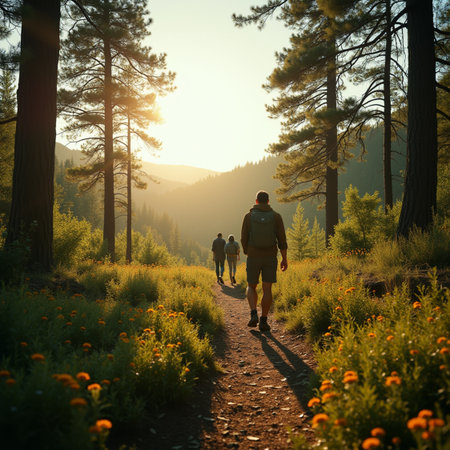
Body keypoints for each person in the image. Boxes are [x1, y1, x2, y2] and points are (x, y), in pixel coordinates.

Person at [241, 190, 288, 332]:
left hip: (253, 256)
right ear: (268, 201)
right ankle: (263, 321)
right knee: (267, 289)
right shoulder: (276, 217)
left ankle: (253, 313)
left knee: (251, 286)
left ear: (256, 201)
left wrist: (247, 251)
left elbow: (243, 238)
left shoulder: (249, 217)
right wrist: (284, 258)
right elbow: (282, 240)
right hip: (270, 256)